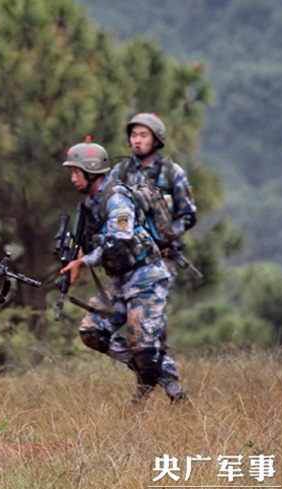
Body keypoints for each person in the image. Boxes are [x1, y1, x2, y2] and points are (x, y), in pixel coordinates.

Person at [59, 137, 182, 404]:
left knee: (146, 348)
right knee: (92, 331)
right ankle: (145, 370)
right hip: (121, 279)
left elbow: (121, 238)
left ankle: (178, 396)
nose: (72, 178)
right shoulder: (92, 204)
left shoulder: (115, 199)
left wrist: (85, 261)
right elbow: (100, 239)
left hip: (146, 276)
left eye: (76, 172)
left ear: (91, 172)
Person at [108, 113, 195, 402]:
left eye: (143, 135)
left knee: (151, 324)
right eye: (134, 135)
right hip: (129, 261)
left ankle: (156, 387)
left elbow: (187, 214)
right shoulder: (120, 172)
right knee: (130, 325)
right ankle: (151, 381)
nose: (137, 140)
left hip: (161, 260)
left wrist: (168, 237)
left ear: (156, 139)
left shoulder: (172, 173)